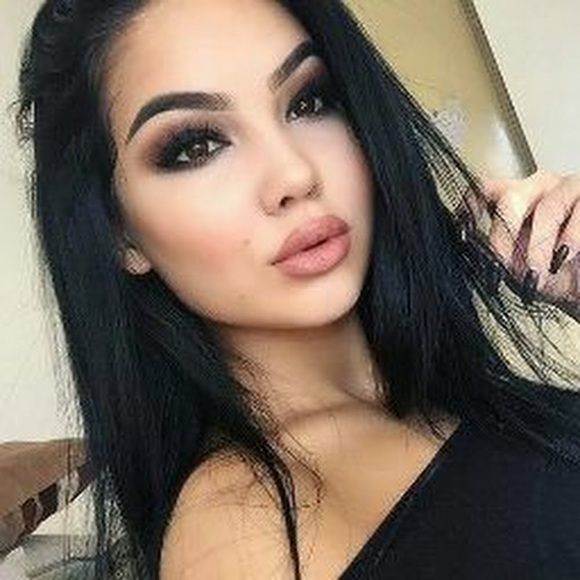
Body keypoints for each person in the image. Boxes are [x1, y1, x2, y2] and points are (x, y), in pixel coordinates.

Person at [15, 0, 580, 578]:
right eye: (196, 146)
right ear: (121, 233)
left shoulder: (450, 390)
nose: (295, 174)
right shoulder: (239, 533)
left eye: (308, 101)